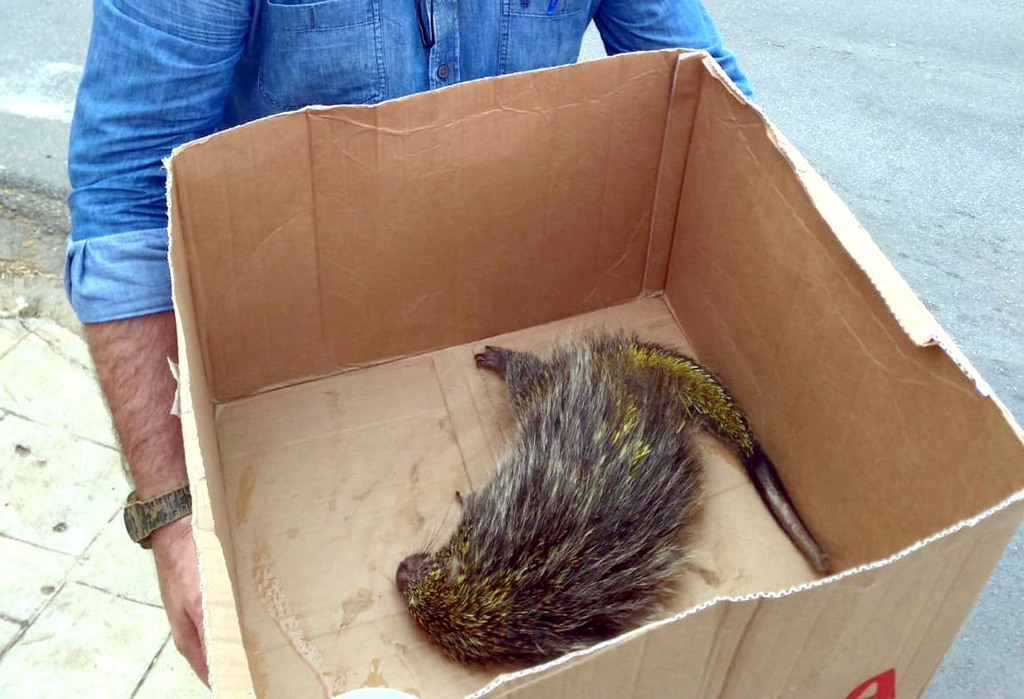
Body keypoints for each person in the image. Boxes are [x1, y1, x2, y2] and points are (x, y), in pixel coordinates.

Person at [65, 0, 752, 687]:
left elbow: (718, 106)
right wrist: (173, 519)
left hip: (518, 297)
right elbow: (125, 198)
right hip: (290, 358)